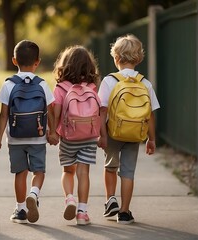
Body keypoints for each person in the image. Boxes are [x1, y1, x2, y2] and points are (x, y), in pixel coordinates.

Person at [0, 40, 59, 224]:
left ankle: (21, 209)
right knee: (38, 171)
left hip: (15, 138)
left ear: (14, 61)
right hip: (38, 137)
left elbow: (3, 114)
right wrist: (52, 132)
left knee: (20, 172)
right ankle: (34, 193)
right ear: (37, 62)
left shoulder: (8, 85)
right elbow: (51, 110)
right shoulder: (42, 84)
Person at [98, 34, 160, 224]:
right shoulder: (145, 83)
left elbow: (102, 111)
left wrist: (101, 135)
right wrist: (151, 139)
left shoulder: (109, 81)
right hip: (135, 135)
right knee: (127, 172)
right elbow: (150, 114)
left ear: (116, 58)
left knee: (110, 167)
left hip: (113, 132)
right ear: (139, 58)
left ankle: (111, 201)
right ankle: (124, 212)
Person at [52, 45, 102, 225]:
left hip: (68, 136)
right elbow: (99, 113)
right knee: (83, 172)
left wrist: (53, 132)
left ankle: (70, 199)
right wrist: (101, 136)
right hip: (88, 136)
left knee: (67, 171)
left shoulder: (60, 88)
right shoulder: (92, 86)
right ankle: (82, 212)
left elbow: (56, 112)